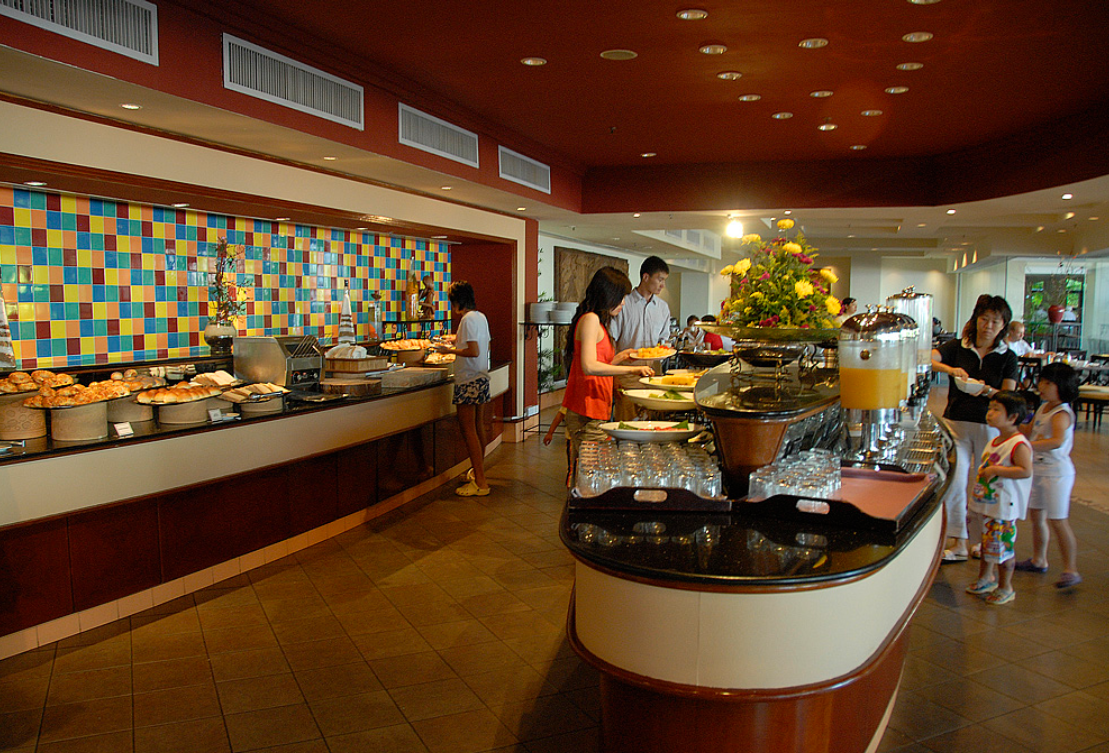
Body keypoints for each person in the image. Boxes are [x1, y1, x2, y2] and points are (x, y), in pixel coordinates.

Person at [932, 295, 1019, 561]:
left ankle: (983, 540)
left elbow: (1008, 395)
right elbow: (928, 359)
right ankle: (958, 541)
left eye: (995, 321)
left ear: (1003, 325)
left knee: (988, 484)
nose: (988, 325)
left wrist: (987, 390)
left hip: (990, 427)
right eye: (984, 319)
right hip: (955, 422)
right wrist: (951, 370)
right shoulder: (959, 346)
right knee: (956, 482)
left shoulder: (1007, 356)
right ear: (976, 319)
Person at [561, 267, 655, 474]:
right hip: (587, 409)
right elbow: (589, 366)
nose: (623, 303)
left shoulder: (597, 322)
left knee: (591, 471)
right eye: (621, 297)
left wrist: (622, 357)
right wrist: (632, 371)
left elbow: (597, 363)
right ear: (608, 295)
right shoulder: (591, 319)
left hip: (596, 407)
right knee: (593, 472)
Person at [964, 391, 1033, 606]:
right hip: (987, 503)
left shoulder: (1018, 444)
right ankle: (986, 577)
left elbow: (1025, 470)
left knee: (1002, 547)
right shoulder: (995, 440)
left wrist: (996, 470)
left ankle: (1006, 586)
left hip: (1003, 507)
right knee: (987, 544)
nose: (990, 413)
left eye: (996, 410)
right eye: (990, 408)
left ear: (1012, 417)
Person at [1017, 362, 1082, 589]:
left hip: (1056, 474)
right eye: (1041, 381)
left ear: (1061, 386)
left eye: (1048, 383)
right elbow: (1029, 431)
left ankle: (1071, 569)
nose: (1041, 387)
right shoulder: (1044, 408)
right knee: (1037, 516)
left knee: (1058, 520)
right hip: (1038, 470)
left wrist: (1026, 446)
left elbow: (1056, 441)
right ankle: (1038, 559)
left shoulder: (1061, 413)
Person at [431, 281, 491, 496]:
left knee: (468, 431)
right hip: (481, 377)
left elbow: (473, 350)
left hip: (468, 380)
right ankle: (478, 472)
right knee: (478, 427)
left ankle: (480, 483)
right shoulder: (480, 317)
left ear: (457, 301)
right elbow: (482, 344)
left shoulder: (466, 320)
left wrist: (448, 350)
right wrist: (455, 341)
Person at [609, 256, 671, 420]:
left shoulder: (663, 308)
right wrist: (614, 377)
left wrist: (666, 348)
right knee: (627, 424)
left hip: (653, 374)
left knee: (651, 424)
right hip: (627, 375)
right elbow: (611, 341)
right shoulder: (623, 304)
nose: (662, 285)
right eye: (660, 279)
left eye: (664, 280)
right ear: (646, 277)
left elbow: (664, 340)